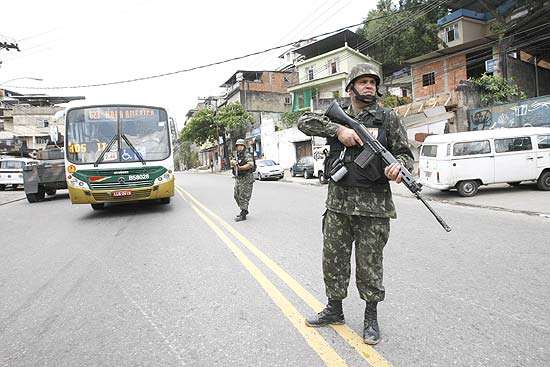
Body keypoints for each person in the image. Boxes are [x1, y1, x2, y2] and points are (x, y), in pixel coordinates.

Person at [297, 62, 414, 345]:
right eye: (362, 82)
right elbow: (303, 122)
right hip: (338, 204)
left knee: (369, 265)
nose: (369, 86)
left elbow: (405, 156)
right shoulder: (338, 115)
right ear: (350, 88)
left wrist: (399, 168)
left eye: (373, 82)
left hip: (374, 208)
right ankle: (334, 310)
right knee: (334, 261)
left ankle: (370, 317)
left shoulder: (388, 118)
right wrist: (337, 130)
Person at [230, 139, 255, 222]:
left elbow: (251, 164)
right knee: (236, 195)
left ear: (244, 146)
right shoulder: (237, 154)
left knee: (243, 197)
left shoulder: (247, 154)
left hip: (247, 178)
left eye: (241, 145)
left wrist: (240, 168)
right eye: (238, 146)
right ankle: (244, 209)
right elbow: (232, 161)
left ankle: (243, 213)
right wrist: (233, 162)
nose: (239, 147)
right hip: (239, 178)